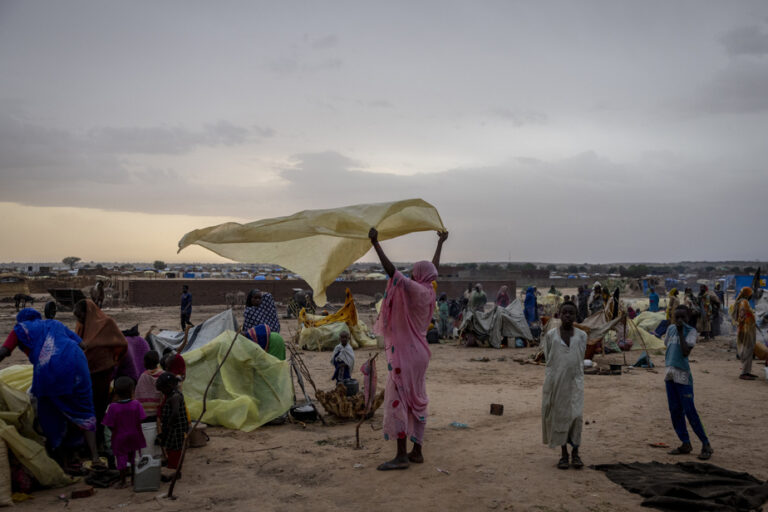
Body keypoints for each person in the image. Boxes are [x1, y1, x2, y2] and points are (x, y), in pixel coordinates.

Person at [369, 227, 447, 471]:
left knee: (399, 399)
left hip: (406, 355)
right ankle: (417, 451)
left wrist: (375, 242)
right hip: (421, 354)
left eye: (414, 273)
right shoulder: (428, 291)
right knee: (418, 398)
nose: (412, 276)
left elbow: (391, 272)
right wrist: (440, 244)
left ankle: (402, 455)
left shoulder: (414, 289)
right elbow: (432, 269)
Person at [0, 309, 100, 471]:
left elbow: (4, 351)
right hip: (77, 365)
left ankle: (63, 461)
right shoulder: (55, 323)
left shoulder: (19, 329)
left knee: (50, 411)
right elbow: (83, 345)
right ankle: (95, 458)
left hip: (48, 370)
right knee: (84, 410)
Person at [74, 299, 127, 447]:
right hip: (84, 374)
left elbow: (121, 343)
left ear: (88, 314)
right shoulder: (81, 326)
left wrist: (114, 360)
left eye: (81, 317)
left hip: (101, 375)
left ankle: (99, 441)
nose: (79, 320)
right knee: (84, 408)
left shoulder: (107, 324)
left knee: (99, 408)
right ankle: (87, 443)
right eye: (77, 318)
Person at [541, 301, 587, 470]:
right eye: (564, 312)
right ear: (559, 314)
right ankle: (564, 454)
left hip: (575, 382)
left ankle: (576, 452)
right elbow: (549, 359)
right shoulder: (551, 335)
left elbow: (580, 358)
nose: (568, 315)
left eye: (571, 313)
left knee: (576, 416)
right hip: (557, 383)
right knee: (559, 417)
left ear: (576, 316)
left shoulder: (582, 336)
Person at [664, 306, 713, 460]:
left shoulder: (690, 331)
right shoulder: (670, 328)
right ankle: (685, 442)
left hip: (683, 376)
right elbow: (668, 346)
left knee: (690, 411)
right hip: (670, 374)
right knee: (675, 411)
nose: (679, 320)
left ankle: (705, 444)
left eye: (682, 318)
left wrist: (680, 332)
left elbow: (685, 352)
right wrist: (676, 329)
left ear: (688, 318)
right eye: (676, 317)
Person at [101, 377, 147, 488]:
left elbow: (109, 424)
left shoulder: (113, 407)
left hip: (119, 437)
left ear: (116, 393)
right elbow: (142, 418)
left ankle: (122, 481)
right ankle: (133, 480)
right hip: (135, 435)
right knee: (133, 458)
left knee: (121, 459)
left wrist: (116, 432)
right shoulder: (136, 404)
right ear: (132, 390)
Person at [156, 372, 189, 480]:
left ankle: (175, 471)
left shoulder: (175, 397)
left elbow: (175, 413)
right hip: (172, 427)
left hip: (176, 428)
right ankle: (172, 465)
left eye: (162, 389)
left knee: (175, 448)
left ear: (169, 386)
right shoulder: (169, 395)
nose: (162, 392)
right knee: (170, 446)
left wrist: (168, 426)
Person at [731, 288, 758, 380]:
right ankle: (743, 373)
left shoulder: (742, 302)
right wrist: (748, 321)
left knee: (749, 350)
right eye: (750, 294)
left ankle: (747, 372)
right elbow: (742, 315)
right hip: (746, 330)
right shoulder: (744, 302)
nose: (751, 296)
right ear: (747, 294)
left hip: (746, 328)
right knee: (747, 350)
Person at [135, 350, 164, 420]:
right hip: (160, 413)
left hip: (145, 414)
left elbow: (138, 394)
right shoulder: (163, 375)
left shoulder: (143, 376)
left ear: (145, 363)